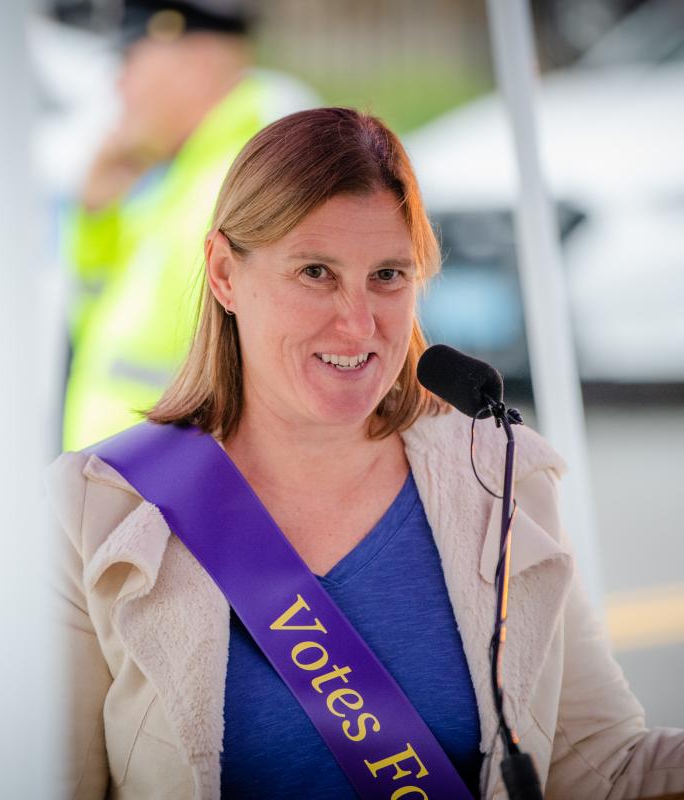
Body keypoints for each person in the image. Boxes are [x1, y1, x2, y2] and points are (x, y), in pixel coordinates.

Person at [46, 108, 684, 799]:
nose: (358, 323)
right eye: (316, 271)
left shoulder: (496, 475)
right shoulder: (98, 512)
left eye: (388, 275)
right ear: (225, 274)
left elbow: (605, 768)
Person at [62, 0, 318, 450]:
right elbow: (101, 333)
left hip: (178, 511)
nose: (118, 86)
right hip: (134, 502)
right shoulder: (184, 181)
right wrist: (98, 219)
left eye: (130, 60)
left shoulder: (253, 185)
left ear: (196, 62)